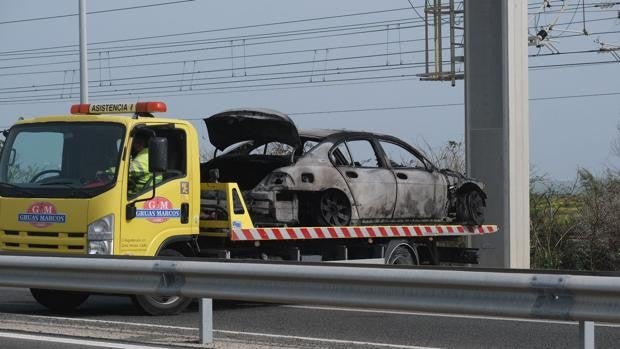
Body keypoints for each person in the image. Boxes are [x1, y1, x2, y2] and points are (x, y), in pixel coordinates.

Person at [128, 130, 157, 195]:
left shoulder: (144, 156)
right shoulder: (148, 153)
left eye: (138, 142)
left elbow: (126, 171)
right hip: (144, 190)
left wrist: (107, 172)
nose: (135, 145)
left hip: (142, 192)